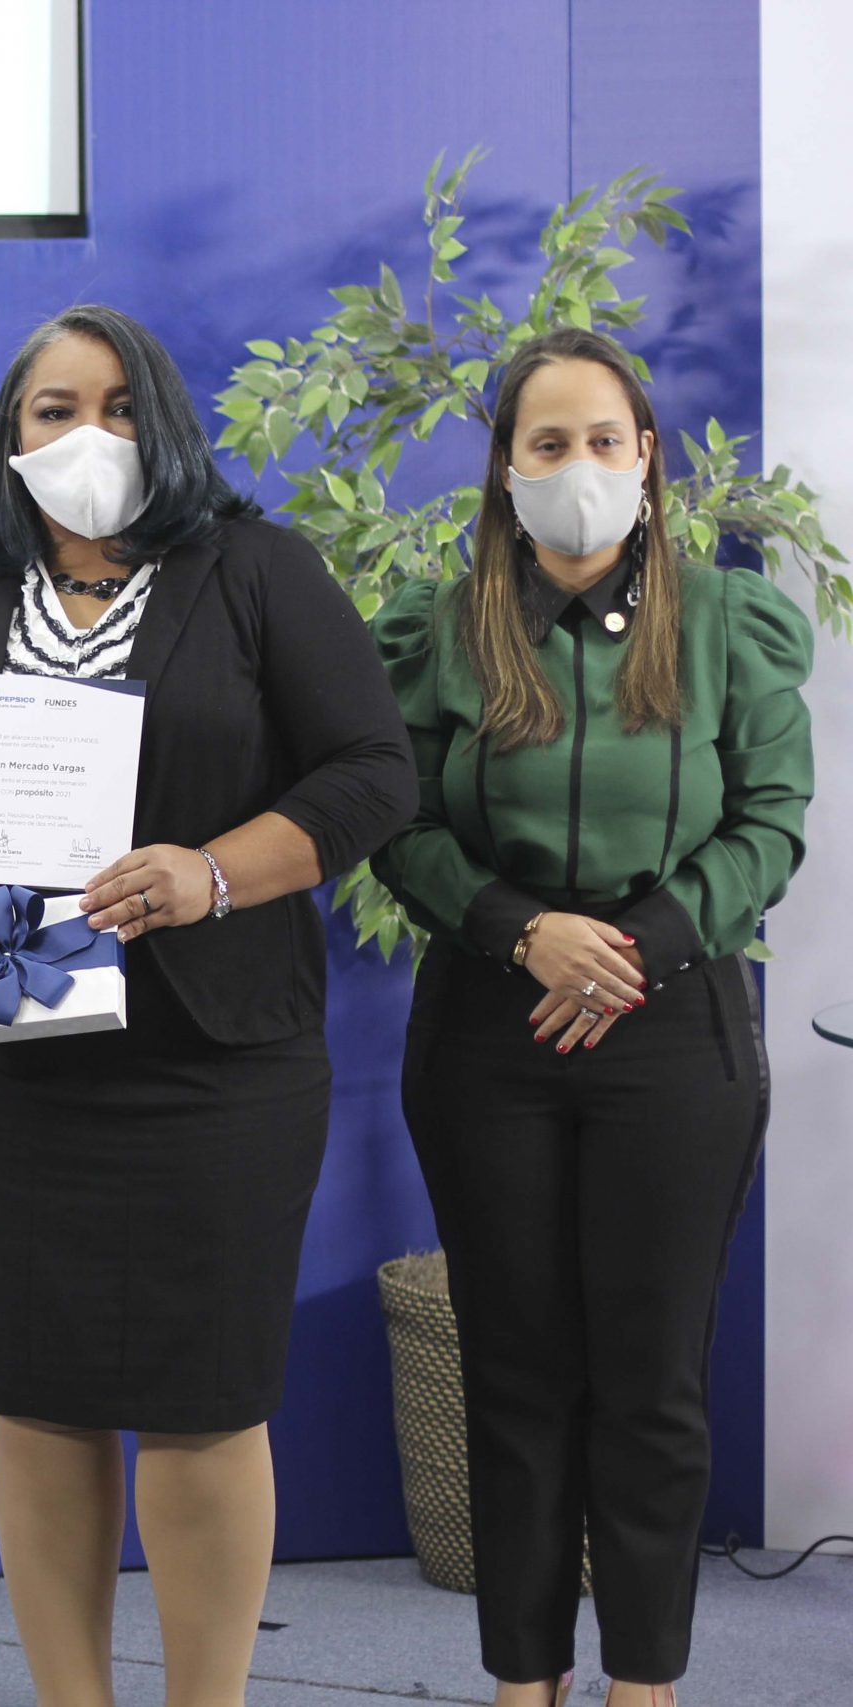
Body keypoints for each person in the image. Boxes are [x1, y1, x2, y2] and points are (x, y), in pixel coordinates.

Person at [0, 304, 417, 1707]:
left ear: (162, 424)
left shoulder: (257, 571)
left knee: (204, 1402)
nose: (84, 434)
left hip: (216, 1062)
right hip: (4, 1046)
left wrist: (212, 873)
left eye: (114, 406)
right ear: (10, 437)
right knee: (35, 1398)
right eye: (52, 409)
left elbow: (371, 775)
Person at [372, 328, 811, 1707]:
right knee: (516, 1371)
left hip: (676, 1031)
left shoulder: (729, 624)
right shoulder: (442, 633)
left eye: (602, 442)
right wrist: (522, 931)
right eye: (546, 445)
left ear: (649, 463)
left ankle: (644, 1687)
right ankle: (522, 1683)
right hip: (490, 1035)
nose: (578, 469)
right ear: (504, 471)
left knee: (651, 1377)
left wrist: (640, 947)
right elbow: (401, 823)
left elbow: (773, 820)